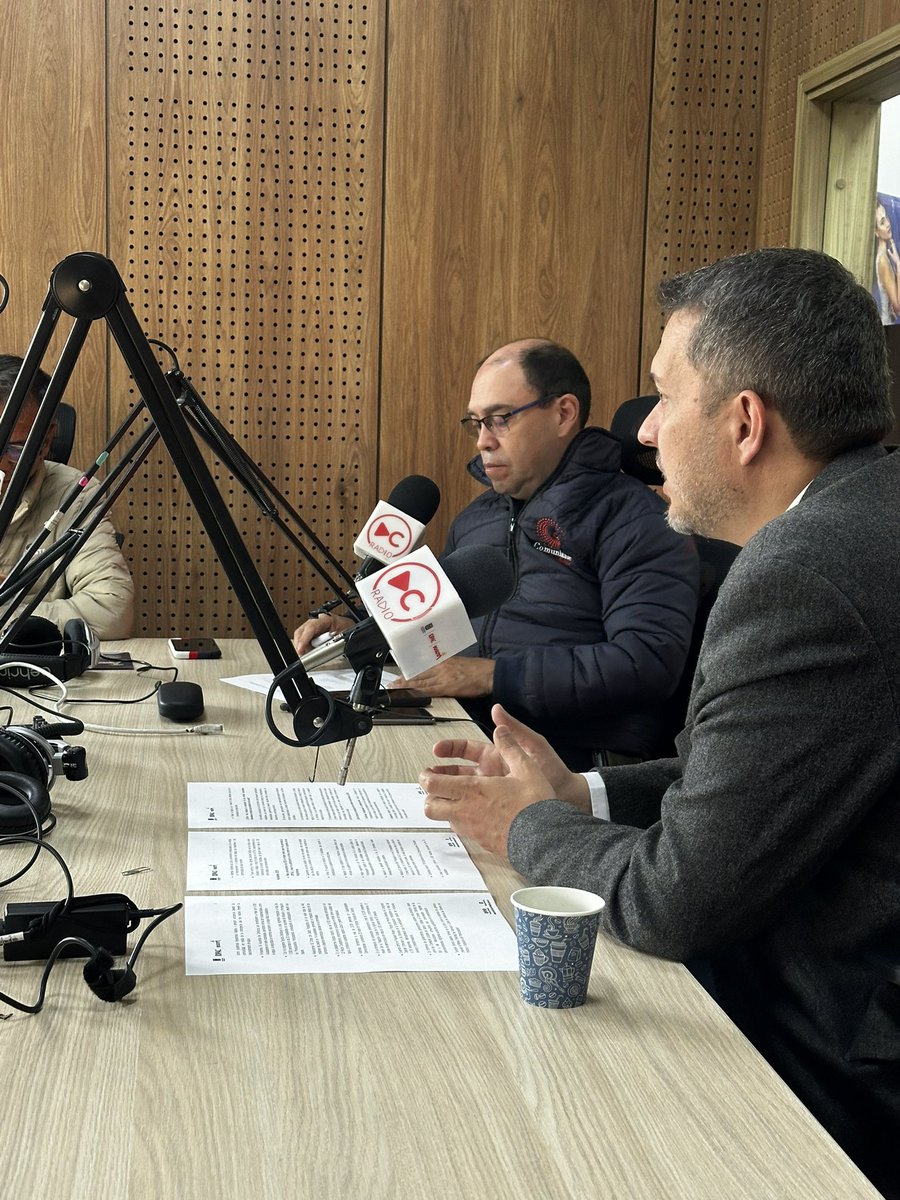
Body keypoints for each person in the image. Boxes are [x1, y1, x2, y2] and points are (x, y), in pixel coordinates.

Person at [418, 248, 899, 1200]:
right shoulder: (864, 516)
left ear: (745, 424)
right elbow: (734, 776)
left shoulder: (803, 573)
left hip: (834, 1065)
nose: (647, 439)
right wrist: (579, 791)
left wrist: (525, 828)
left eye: (665, 401)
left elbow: (670, 902)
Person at [295, 339, 700, 769]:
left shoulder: (638, 520)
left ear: (564, 413)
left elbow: (646, 662)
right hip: (461, 735)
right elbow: (436, 640)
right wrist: (358, 631)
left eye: (500, 419)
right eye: (476, 424)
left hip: (574, 767)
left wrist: (490, 675)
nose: (482, 442)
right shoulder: (476, 519)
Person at [0, 355, 134, 640]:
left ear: (47, 439)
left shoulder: (76, 495)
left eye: (13, 448)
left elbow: (112, 611)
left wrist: (8, 609)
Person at [874, 200, 900, 324]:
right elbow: (898, 308)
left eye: (887, 218)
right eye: (882, 222)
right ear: (876, 232)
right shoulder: (883, 262)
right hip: (887, 328)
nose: (888, 224)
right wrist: (899, 265)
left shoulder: (884, 256)